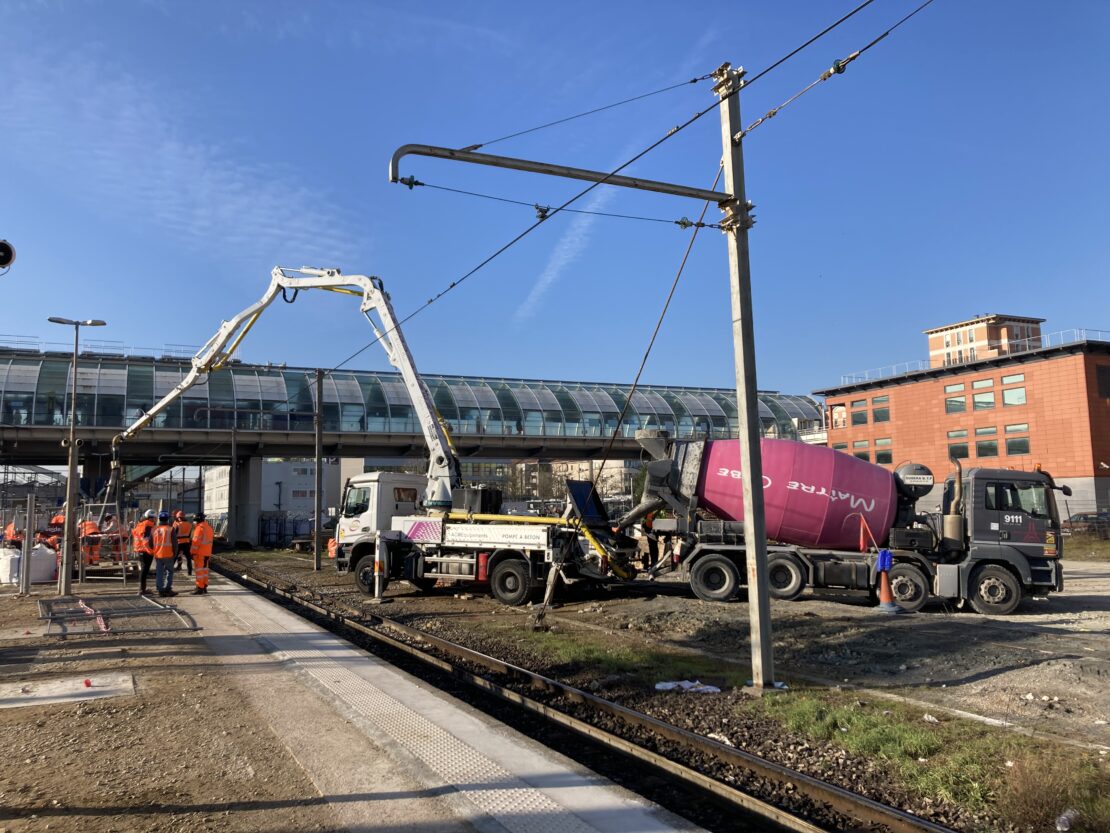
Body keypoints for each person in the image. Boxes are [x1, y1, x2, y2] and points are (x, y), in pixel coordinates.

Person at [151, 511, 178, 598]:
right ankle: (168, 589)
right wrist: (175, 554)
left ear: (159, 519)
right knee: (169, 571)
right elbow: (175, 544)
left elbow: (150, 543)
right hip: (169, 554)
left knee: (159, 572)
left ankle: (160, 590)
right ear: (167, 519)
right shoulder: (171, 529)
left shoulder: (154, 529)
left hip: (158, 555)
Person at [132, 509, 157, 595]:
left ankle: (142, 589)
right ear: (151, 518)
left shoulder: (140, 524)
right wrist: (151, 551)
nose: (156, 519)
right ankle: (142, 590)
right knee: (144, 570)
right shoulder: (148, 525)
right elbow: (146, 541)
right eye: (154, 518)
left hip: (140, 550)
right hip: (145, 550)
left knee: (143, 570)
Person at [189, 512, 214, 595]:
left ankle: (199, 588)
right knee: (205, 570)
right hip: (207, 553)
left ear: (197, 520)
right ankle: (204, 586)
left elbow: (195, 542)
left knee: (199, 571)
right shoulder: (209, 528)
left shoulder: (199, 528)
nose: (194, 522)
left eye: (195, 520)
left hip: (199, 554)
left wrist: (192, 552)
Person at [172, 510, 193, 575]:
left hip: (179, 543)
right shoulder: (189, 524)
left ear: (179, 517)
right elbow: (189, 535)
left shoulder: (177, 524)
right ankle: (189, 572)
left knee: (174, 557)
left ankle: (170, 570)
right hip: (186, 543)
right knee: (188, 558)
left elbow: (173, 534)